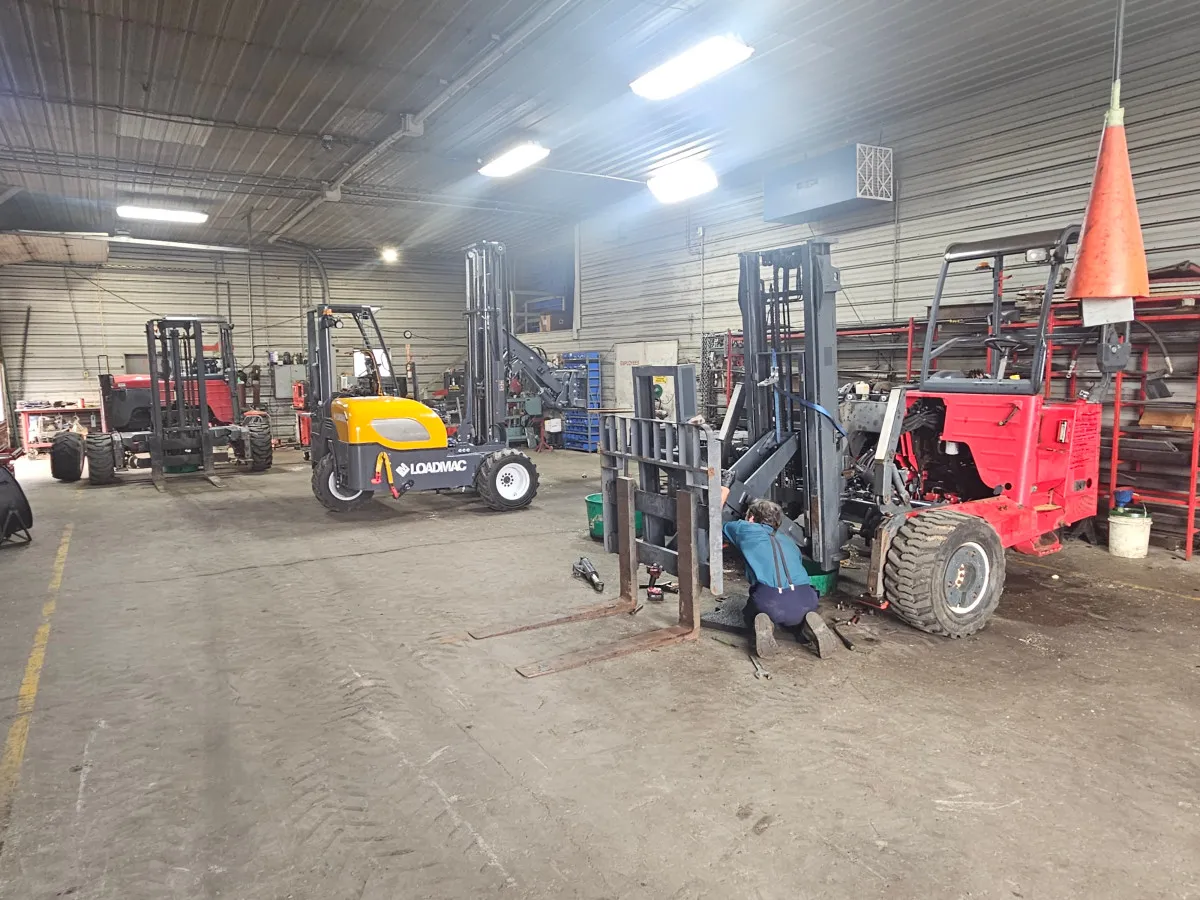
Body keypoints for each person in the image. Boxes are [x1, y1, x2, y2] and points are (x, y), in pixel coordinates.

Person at [721, 496, 836, 660]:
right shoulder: (789, 541)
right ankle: (805, 629)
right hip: (806, 597)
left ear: (751, 518)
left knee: (750, 613)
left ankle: (765, 623)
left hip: (770, 599)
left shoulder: (744, 528)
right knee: (794, 618)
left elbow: (716, 524)